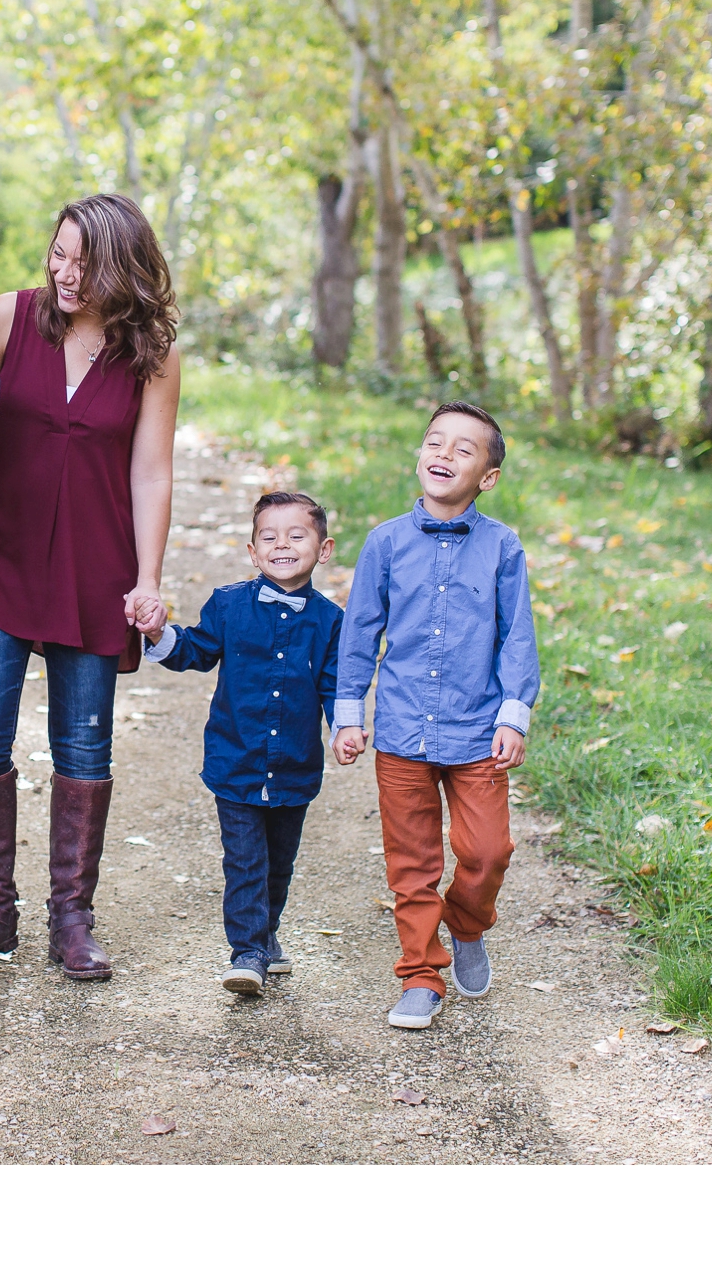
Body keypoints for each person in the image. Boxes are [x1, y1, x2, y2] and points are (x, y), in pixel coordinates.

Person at [0, 194, 181, 984]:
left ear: (122, 268)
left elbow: (152, 466)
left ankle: (73, 917)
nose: (65, 273)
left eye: (84, 262)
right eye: (58, 255)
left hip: (97, 568)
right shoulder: (6, 317)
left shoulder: (152, 351)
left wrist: (149, 576)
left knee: (85, 745)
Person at [332, 402, 540, 1031]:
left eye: (464, 449)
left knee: (487, 851)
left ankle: (468, 923)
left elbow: (517, 635)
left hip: (477, 730)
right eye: (434, 442)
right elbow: (360, 632)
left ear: (489, 476)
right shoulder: (385, 542)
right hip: (401, 730)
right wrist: (349, 714)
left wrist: (513, 714)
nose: (444, 455)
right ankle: (421, 974)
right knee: (412, 862)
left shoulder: (503, 546)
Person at [128, 491, 344, 996]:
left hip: (294, 763)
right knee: (244, 859)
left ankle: (266, 935)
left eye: (296, 535)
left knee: (279, 862)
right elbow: (197, 652)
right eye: (268, 537)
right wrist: (160, 633)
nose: (282, 545)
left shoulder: (332, 621)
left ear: (324, 548)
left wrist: (344, 726)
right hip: (235, 761)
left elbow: (335, 684)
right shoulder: (228, 605)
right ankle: (246, 951)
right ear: (252, 551)